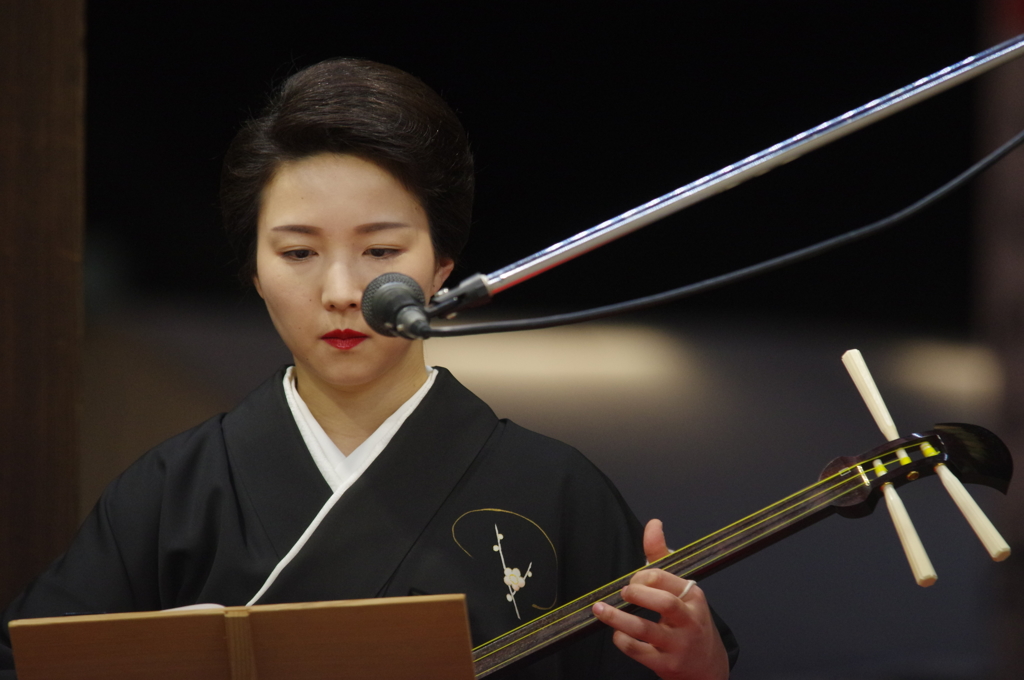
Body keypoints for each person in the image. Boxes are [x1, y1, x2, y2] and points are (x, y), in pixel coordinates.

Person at [0, 58, 736, 679]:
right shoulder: (170, 493)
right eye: (297, 253)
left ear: (442, 265)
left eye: (382, 252)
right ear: (253, 271)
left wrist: (700, 662)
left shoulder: (554, 489)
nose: (342, 290)